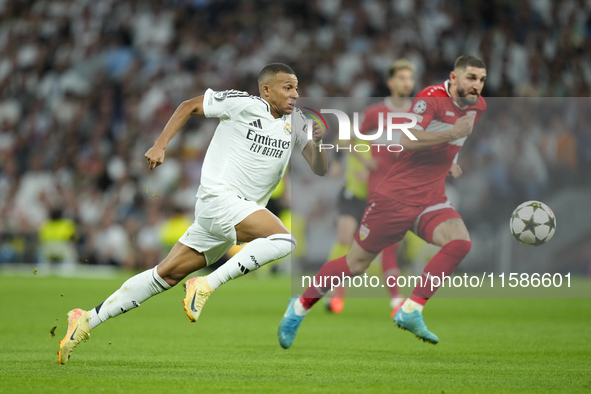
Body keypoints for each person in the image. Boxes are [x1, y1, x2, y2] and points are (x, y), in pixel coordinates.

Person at [57, 63, 328, 364]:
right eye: (287, 87)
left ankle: (86, 319)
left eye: (297, 87)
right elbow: (189, 106)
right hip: (220, 198)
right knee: (284, 240)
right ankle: (206, 283)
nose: (295, 94)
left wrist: (317, 142)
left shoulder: (298, 123)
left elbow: (320, 168)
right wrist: (160, 145)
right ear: (266, 89)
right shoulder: (244, 104)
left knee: (164, 275)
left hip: (235, 213)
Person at [278, 55, 487, 348]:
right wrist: (354, 160)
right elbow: (407, 139)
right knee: (356, 263)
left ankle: (411, 309)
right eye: (471, 78)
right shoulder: (428, 99)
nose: (477, 85)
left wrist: (448, 160)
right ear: (454, 78)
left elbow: (445, 142)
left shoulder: (479, 106)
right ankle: (299, 306)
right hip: (394, 195)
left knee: (460, 241)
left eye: (481, 79)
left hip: (430, 197)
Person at [326, 59, 415, 316]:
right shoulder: (368, 127)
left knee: (379, 247)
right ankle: (336, 294)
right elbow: (344, 140)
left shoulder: (397, 134)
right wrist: (345, 163)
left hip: (382, 194)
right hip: (354, 193)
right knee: (346, 239)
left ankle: (394, 299)